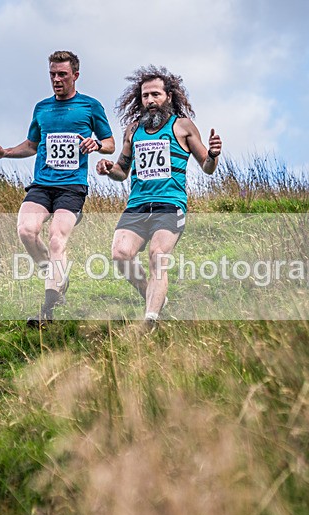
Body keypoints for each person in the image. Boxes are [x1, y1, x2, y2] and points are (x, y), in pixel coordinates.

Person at [0, 50, 115, 327]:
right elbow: (31, 145)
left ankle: (47, 309)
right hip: (42, 184)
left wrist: (96, 144)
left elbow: (110, 143)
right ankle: (57, 276)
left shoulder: (90, 106)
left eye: (62, 75)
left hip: (72, 187)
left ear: (75, 75)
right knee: (26, 231)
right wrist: (5, 152)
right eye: (52, 75)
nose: (56, 80)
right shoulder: (42, 108)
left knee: (57, 239)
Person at [96, 65, 222, 329]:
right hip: (137, 205)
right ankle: (155, 298)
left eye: (156, 94)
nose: (150, 100)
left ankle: (150, 319)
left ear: (169, 97)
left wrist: (212, 154)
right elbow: (122, 171)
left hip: (170, 203)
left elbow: (207, 167)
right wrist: (109, 169)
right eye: (145, 96)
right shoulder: (133, 130)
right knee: (120, 255)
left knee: (158, 255)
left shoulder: (182, 126)